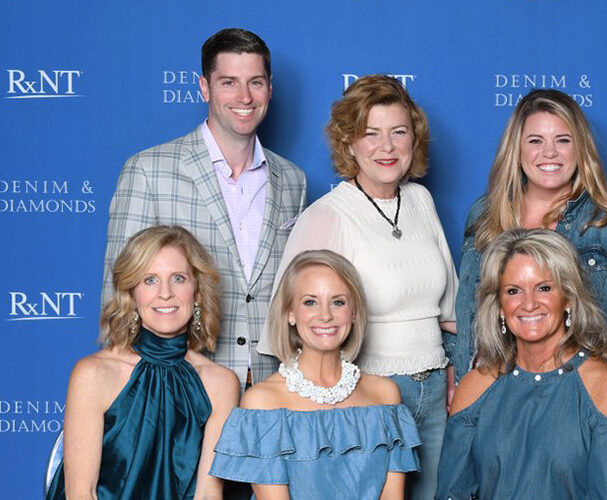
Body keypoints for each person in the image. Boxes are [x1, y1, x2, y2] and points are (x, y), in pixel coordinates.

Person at [258, 75, 457, 499]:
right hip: (369, 393)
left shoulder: (421, 201)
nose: (387, 147)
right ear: (348, 143)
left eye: (399, 132)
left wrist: (455, 370)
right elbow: (289, 322)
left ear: (413, 140)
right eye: (372, 133)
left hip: (434, 388)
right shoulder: (328, 216)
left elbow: (450, 309)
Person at [102, 28, 307, 390]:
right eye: (229, 82)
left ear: (270, 88)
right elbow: (118, 293)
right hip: (180, 383)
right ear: (204, 88)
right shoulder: (149, 170)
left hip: (272, 384)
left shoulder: (293, 179)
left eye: (255, 82)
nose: (244, 96)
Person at [453, 88, 607, 398]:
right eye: (535, 141)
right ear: (516, 148)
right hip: (494, 395)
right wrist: (463, 383)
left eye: (563, 140)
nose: (549, 153)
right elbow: (470, 311)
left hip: (578, 398)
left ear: (581, 149)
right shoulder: (484, 215)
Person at [438, 228, 607, 499]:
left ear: (568, 297)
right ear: (500, 306)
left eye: (544, 288)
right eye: (513, 291)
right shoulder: (475, 387)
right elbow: (452, 492)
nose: (529, 304)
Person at [47, 226, 240, 499]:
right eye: (150, 280)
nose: (165, 293)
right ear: (132, 294)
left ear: (196, 292)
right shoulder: (93, 374)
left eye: (178, 278)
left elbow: (208, 495)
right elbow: (81, 493)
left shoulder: (220, 383)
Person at [210, 250, 420, 499]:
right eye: (310, 302)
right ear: (290, 313)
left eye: (338, 302)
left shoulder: (385, 395)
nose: (325, 315)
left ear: (353, 312)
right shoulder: (262, 403)